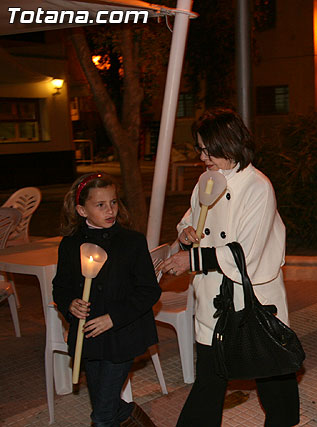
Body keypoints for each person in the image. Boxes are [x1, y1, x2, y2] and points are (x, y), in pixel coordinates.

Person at [160, 108, 300, 427]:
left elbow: (246, 253)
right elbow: (191, 216)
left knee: (272, 376)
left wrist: (192, 259)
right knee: (210, 377)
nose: (203, 156)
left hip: (254, 300)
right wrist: (185, 231)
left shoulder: (257, 187)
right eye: (200, 149)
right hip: (213, 297)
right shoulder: (206, 181)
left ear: (231, 142)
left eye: (209, 148)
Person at [52, 172, 160, 427]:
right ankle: (135, 418)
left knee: (101, 416)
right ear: (81, 209)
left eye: (113, 202)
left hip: (121, 335)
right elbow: (61, 285)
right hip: (89, 337)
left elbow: (149, 290)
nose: (110, 209)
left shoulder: (131, 242)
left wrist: (113, 318)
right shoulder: (70, 244)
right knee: (108, 403)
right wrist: (69, 304)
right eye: (100, 205)